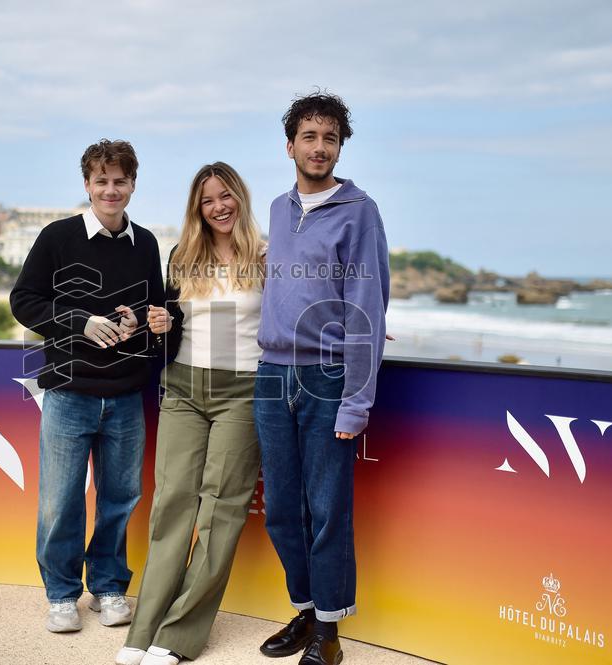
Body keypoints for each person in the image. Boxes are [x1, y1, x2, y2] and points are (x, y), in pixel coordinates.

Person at [254, 91, 390, 665]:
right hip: (270, 376)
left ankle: (329, 636)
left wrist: (356, 403)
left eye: (329, 137)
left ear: (339, 147)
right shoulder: (279, 210)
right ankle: (307, 611)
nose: (319, 147)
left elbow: (367, 308)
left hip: (326, 379)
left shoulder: (361, 213)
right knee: (283, 507)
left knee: (327, 507)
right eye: (309, 137)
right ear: (290, 146)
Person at [10, 139, 165, 635]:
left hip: (125, 396)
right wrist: (80, 322)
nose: (111, 190)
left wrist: (141, 318)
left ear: (133, 185)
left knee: (121, 498)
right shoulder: (57, 236)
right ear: (87, 185)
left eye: (120, 181)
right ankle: (60, 595)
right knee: (61, 501)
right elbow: (24, 300)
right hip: (68, 394)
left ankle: (108, 586)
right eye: (102, 181)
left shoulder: (146, 243)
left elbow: (154, 310)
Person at [115, 162, 265, 665]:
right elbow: (173, 323)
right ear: (196, 209)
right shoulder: (183, 256)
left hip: (242, 391)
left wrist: (350, 327)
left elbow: (301, 311)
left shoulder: (269, 255)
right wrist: (160, 320)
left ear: (240, 198)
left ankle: (179, 636)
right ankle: (143, 631)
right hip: (181, 386)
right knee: (172, 505)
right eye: (207, 200)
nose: (219, 206)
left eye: (226, 196)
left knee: (220, 511)